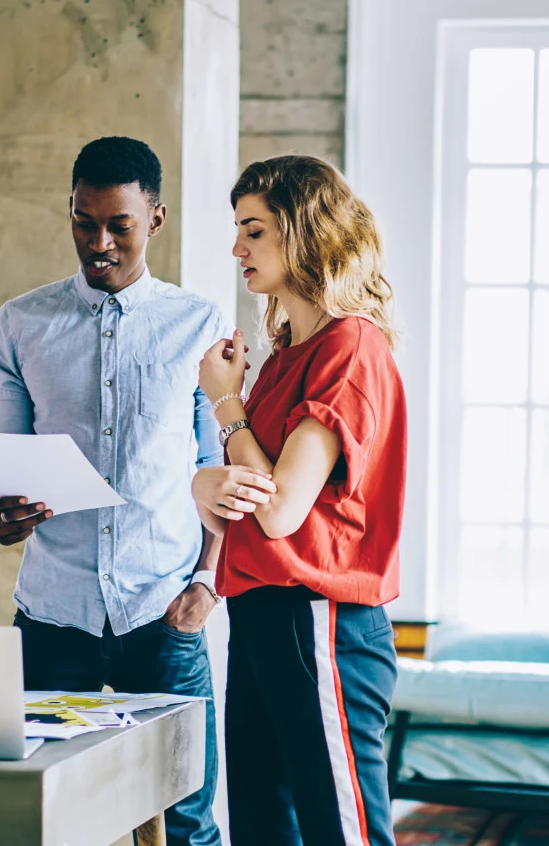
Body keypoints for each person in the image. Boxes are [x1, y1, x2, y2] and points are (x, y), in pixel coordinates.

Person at [0, 136, 225, 846]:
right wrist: (4, 510)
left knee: (187, 825)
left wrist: (205, 585)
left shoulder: (200, 326)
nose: (101, 243)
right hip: (54, 617)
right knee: (34, 816)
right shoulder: (20, 324)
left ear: (156, 217)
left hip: (165, 614)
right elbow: (6, 466)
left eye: (120, 224)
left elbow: (219, 469)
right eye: (85, 222)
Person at [193, 155, 406, 846]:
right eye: (237, 230)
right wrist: (206, 487)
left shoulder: (350, 347)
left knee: (342, 831)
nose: (237, 248)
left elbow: (280, 508)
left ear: (302, 230)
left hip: (318, 618)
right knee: (261, 827)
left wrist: (225, 403)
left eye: (253, 230)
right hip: (260, 612)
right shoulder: (285, 355)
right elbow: (247, 500)